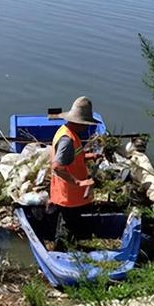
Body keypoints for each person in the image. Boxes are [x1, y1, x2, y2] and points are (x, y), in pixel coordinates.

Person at [49, 96, 99, 250]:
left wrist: (90, 156)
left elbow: (73, 157)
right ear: (79, 123)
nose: (86, 127)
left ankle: (69, 245)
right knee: (67, 225)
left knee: (68, 221)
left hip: (67, 192)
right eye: (85, 124)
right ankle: (61, 253)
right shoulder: (67, 140)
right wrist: (78, 182)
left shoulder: (66, 131)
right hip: (69, 193)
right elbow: (57, 166)